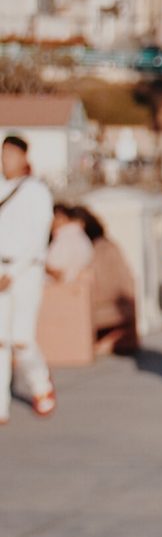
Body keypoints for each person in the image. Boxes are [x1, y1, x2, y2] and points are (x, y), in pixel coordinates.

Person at [0, 132, 56, 421]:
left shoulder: (36, 191)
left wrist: (13, 271)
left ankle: (40, 383)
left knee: (22, 338)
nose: (5, 159)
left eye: (10, 153)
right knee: (0, 339)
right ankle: (1, 404)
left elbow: (38, 238)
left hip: (25, 271)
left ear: (23, 156)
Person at [71, 205, 139, 353]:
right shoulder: (105, 245)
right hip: (118, 298)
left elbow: (100, 280)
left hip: (105, 299)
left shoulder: (97, 249)